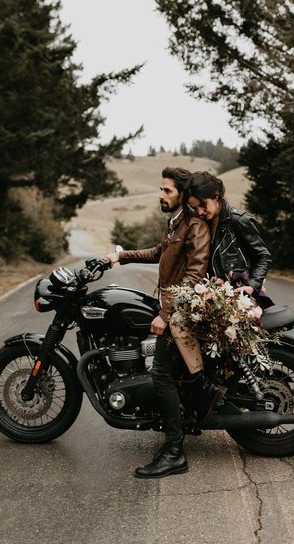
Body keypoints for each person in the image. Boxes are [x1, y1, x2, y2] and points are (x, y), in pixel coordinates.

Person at [103, 167, 224, 479]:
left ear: (182, 194)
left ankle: (174, 452)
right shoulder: (177, 223)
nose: (161, 195)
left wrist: (166, 314)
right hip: (173, 305)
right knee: (164, 372)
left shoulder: (194, 225)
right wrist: (122, 257)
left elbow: (195, 274)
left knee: (161, 375)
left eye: (167, 190)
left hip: (180, 311)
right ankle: (195, 404)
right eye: (160, 189)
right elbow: (161, 252)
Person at [169, 170, 273, 375]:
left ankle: (202, 382)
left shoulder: (238, 220)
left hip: (240, 298)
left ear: (216, 197)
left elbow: (264, 256)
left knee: (180, 325)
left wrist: (252, 286)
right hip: (215, 296)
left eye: (202, 204)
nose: (199, 211)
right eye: (194, 207)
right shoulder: (204, 224)